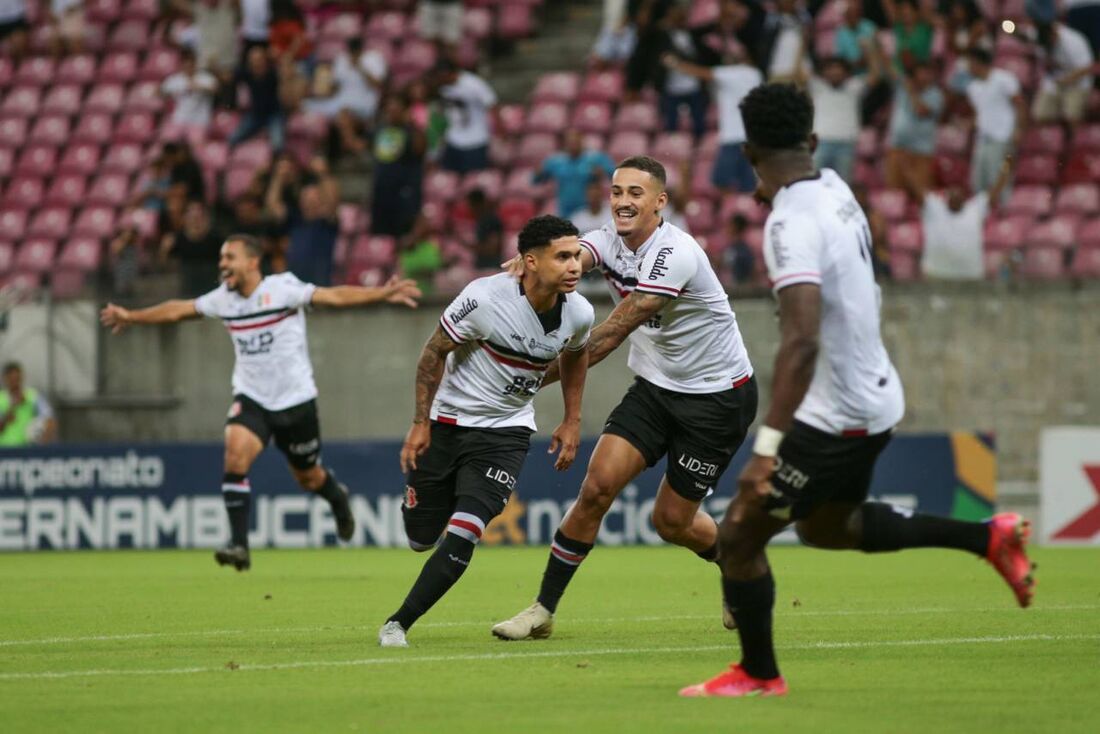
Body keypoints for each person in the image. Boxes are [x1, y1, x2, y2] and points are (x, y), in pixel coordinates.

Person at [679, 83, 1034, 699]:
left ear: (750, 150)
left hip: (835, 415)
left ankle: (759, 676)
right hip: (876, 397)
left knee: (738, 535)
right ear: (812, 142)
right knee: (828, 527)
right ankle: (988, 536)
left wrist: (766, 449)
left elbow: (802, 342)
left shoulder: (790, 223)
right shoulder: (836, 188)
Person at [492, 156, 757, 641]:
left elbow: (611, 333)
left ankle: (736, 556)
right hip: (657, 388)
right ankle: (542, 610)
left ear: (660, 203)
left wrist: (528, 377)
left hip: (716, 399)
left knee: (670, 522)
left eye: (636, 193)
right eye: (617, 192)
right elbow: (572, 256)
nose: (622, 202)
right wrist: (532, 270)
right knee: (595, 489)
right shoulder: (606, 239)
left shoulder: (676, 252)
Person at [100, 235, 422, 571]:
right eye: (221, 258)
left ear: (253, 262)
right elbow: (179, 309)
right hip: (252, 399)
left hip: (296, 402)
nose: (223, 264)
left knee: (308, 477)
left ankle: (336, 497)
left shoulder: (282, 289)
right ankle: (239, 545)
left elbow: (333, 296)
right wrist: (132, 316)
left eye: (230, 257)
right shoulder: (223, 300)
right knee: (235, 455)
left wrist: (381, 293)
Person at [378, 216, 594, 648]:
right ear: (530, 261)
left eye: (578, 256)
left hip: (506, 434)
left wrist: (572, 419)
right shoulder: (483, 299)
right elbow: (434, 352)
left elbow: (575, 357)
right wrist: (421, 422)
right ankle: (420, 512)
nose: (575, 265)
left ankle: (397, 623)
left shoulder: (580, 313)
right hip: (448, 425)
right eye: (563, 257)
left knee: (466, 531)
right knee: (420, 538)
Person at [661, 47, 762, 193]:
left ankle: (730, 210)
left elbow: (703, 73)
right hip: (750, 138)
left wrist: (674, 63)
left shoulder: (736, 73)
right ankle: (739, 209)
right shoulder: (756, 74)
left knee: (720, 181)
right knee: (747, 186)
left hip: (733, 138)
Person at [914, 156, 1014, 280]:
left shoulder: (976, 208)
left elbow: (997, 189)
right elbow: (914, 187)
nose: (955, 194)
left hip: (970, 279)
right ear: (946, 195)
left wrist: (1006, 168)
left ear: (965, 195)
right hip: (935, 276)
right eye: (952, 191)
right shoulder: (934, 206)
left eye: (958, 190)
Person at [266, 156, 339, 286]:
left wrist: (323, 174)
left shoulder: (327, 222)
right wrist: (278, 178)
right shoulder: (295, 219)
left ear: (320, 200)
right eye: (306, 196)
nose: (309, 200)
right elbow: (273, 207)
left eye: (314, 196)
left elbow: (333, 202)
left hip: (320, 285)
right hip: (294, 285)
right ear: (300, 200)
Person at [965, 48, 1026, 196]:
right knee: (978, 184)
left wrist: (1018, 130)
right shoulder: (972, 87)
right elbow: (979, 113)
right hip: (982, 140)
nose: (968, 67)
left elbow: (1020, 105)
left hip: (1002, 137)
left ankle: (1004, 215)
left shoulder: (1004, 79)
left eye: (970, 63)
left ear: (978, 63)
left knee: (1000, 182)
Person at [885, 60, 944, 196]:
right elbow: (890, 70)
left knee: (920, 193)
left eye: (928, 74)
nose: (926, 77)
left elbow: (921, 111)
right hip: (898, 147)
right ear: (913, 76)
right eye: (922, 73)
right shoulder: (902, 88)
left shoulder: (936, 94)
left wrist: (911, 91)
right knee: (895, 192)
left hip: (921, 151)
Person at [371, 94, 426, 239]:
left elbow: (420, 150)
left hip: (404, 191)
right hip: (382, 189)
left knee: (402, 232)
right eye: (389, 110)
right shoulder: (381, 129)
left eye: (395, 109)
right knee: (381, 233)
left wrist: (413, 126)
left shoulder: (410, 131)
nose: (391, 113)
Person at [533, 130, 615, 218]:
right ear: (564, 144)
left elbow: (615, 175)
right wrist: (538, 172)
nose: (573, 144)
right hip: (565, 211)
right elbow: (536, 180)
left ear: (582, 141)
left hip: (589, 212)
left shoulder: (596, 158)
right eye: (570, 142)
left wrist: (601, 173)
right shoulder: (555, 161)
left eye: (576, 141)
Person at [1031, 22, 1098, 130]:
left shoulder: (1074, 41)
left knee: (1071, 114)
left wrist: (1067, 80)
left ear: (1054, 34)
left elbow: (1087, 67)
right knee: (1040, 114)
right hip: (1055, 81)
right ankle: (1052, 141)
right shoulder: (1040, 39)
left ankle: (1076, 142)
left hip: (1078, 82)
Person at [435, 61, 497, 174]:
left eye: (444, 77)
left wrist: (500, 130)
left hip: (476, 139)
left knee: (473, 179)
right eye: (439, 78)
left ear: (454, 73)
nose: (442, 80)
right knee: (449, 177)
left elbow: (492, 104)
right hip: (454, 138)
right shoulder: (442, 86)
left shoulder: (473, 84)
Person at [160, 199, 223, 297]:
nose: (196, 217)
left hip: (212, 291)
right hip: (186, 291)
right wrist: (164, 250)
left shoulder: (217, 238)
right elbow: (165, 267)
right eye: (191, 214)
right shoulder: (176, 240)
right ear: (184, 217)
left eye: (199, 214)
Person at [230, 46, 286, 152]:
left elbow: (286, 74)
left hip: (273, 113)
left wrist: (279, 58)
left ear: (265, 60)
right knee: (233, 138)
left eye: (258, 59)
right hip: (256, 114)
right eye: (253, 60)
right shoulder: (247, 74)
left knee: (278, 144)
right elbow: (229, 76)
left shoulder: (273, 73)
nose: (256, 63)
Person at [161, 48, 219, 135]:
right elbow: (161, 93)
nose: (188, 66)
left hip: (200, 120)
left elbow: (216, 89)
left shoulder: (205, 77)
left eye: (191, 63)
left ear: (195, 63)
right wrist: (176, 91)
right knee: (168, 140)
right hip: (179, 119)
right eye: (186, 63)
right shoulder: (175, 79)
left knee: (196, 143)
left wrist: (201, 87)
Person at [0, 362, 57, 446]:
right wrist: (7, 416)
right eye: (12, 379)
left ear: (22, 377)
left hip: (27, 451)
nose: (15, 383)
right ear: (6, 379)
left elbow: (50, 419)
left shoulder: (32, 396)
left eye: (17, 379)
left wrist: (45, 438)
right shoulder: (1, 399)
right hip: (5, 450)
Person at [467, 189, 504, 270]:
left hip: (491, 267)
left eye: (470, 205)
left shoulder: (491, 220)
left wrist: (468, 246)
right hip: (482, 266)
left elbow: (493, 248)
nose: (469, 208)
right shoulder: (481, 220)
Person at [723, 213, 755, 286]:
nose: (727, 228)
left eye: (730, 225)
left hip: (738, 290)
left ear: (736, 227)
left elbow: (749, 273)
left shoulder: (744, 250)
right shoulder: (730, 247)